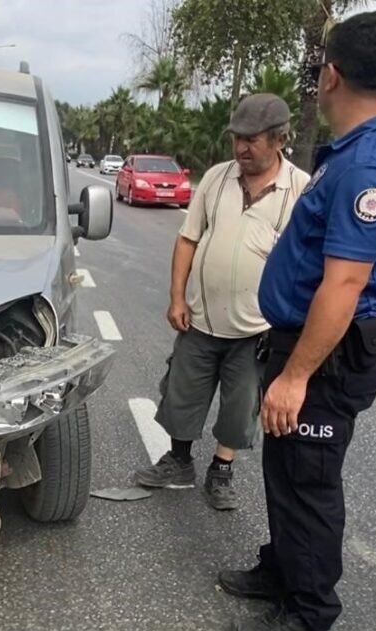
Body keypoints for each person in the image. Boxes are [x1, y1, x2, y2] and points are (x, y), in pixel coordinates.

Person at [218, 12, 376, 631]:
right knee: (287, 469)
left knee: (309, 480)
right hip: (302, 344)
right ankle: (282, 571)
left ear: (331, 75)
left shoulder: (367, 167)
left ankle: (308, 608)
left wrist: (296, 376)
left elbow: (345, 284)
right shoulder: (356, 152)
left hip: (323, 358)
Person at [132, 94, 310, 511]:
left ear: (280, 139)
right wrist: (177, 297)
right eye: (237, 138)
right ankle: (178, 460)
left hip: (257, 330)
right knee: (181, 393)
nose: (241, 148)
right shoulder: (216, 178)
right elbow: (188, 238)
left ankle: (221, 471)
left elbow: (305, 263)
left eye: (252, 139)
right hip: (201, 319)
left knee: (241, 405)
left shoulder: (300, 189)